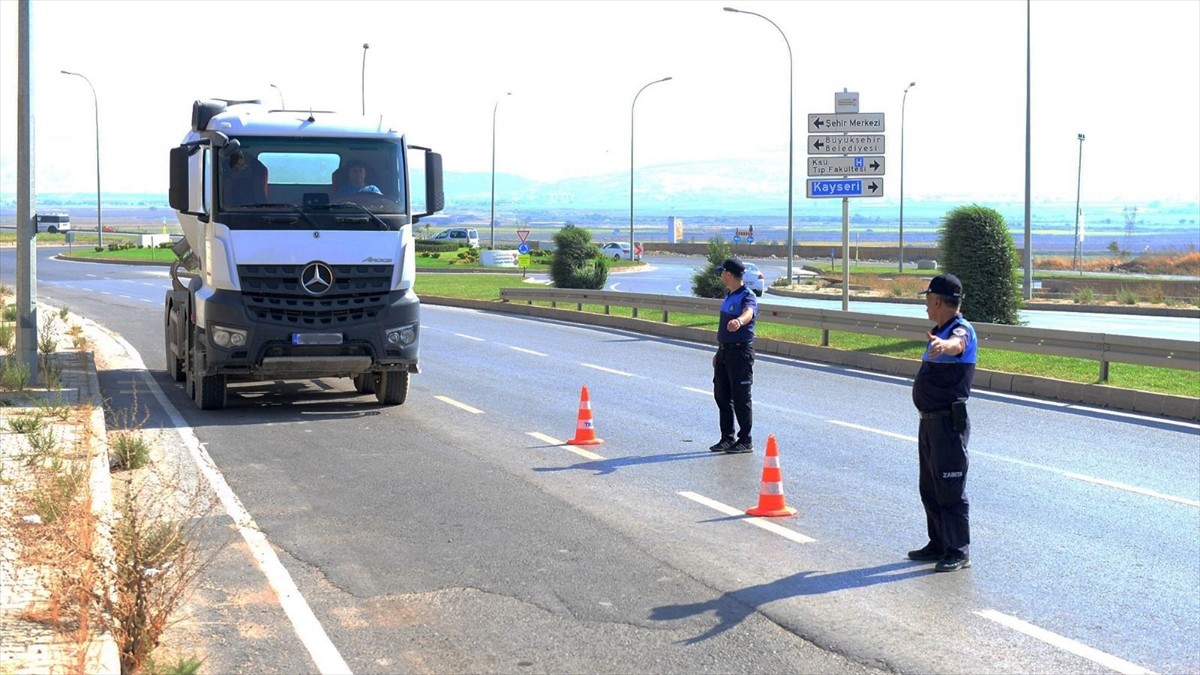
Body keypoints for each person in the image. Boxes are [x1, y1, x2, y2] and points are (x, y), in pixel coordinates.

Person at [908, 273, 978, 573]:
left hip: (948, 423)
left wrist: (944, 346)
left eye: (927, 300)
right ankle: (938, 542)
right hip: (930, 423)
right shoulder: (941, 329)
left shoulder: (959, 330)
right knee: (930, 487)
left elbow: (957, 345)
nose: (926, 307)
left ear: (937, 300)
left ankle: (958, 550)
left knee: (950, 487)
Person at [709, 258, 758, 455]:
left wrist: (739, 321)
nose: (721, 275)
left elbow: (749, 312)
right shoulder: (729, 295)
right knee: (722, 396)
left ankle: (745, 439)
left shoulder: (747, 296)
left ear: (728, 274)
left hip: (740, 353)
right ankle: (727, 438)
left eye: (722, 272)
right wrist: (718, 352)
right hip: (724, 352)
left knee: (741, 398)